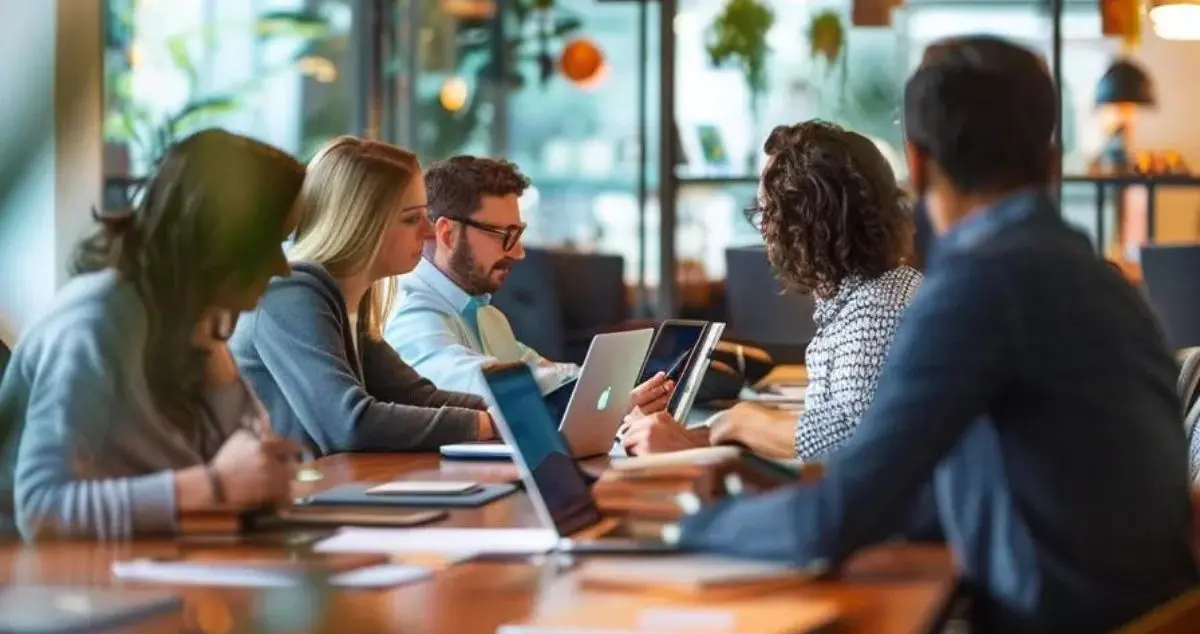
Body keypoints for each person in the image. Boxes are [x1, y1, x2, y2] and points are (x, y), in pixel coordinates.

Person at [673, 36, 1199, 634]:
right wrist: (786, 493)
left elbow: (837, 525)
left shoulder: (977, 289)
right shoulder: (1110, 287)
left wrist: (690, 528)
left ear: (916, 168)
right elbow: (984, 479)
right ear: (1053, 161)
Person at [0, 129, 305, 541]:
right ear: (220, 239)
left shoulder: (193, 326)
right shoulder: (94, 319)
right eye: (271, 243)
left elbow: (246, 468)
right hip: (51, 584)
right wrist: (215, 486)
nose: (283, 267)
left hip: (148, 567)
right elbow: (41, 509)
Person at [622, 122, 921, 460]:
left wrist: (740, 421)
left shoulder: (875, 310)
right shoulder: (877, 294)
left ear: (808, 222)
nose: (764, 228)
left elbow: (849, 437)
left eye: (769, 211)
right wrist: (697, 436)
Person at [230, 137, 492, 454]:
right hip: (293, 499)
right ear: (360, 224)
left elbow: (417, 396)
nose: (428, 231)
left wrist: (514, 413)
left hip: (331, 491)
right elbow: (351, 424)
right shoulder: (290, 293)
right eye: (412, 218)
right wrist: (485, 424)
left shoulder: (348, 301)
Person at [384, 155, 672, 412]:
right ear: (447, 234)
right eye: (504, 235)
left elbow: (544, 372)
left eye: (518, 234)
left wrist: (632, 388)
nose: (519, 253)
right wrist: (610, 396)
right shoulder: (409, 309)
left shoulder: (485, 314)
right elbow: (476, 381)